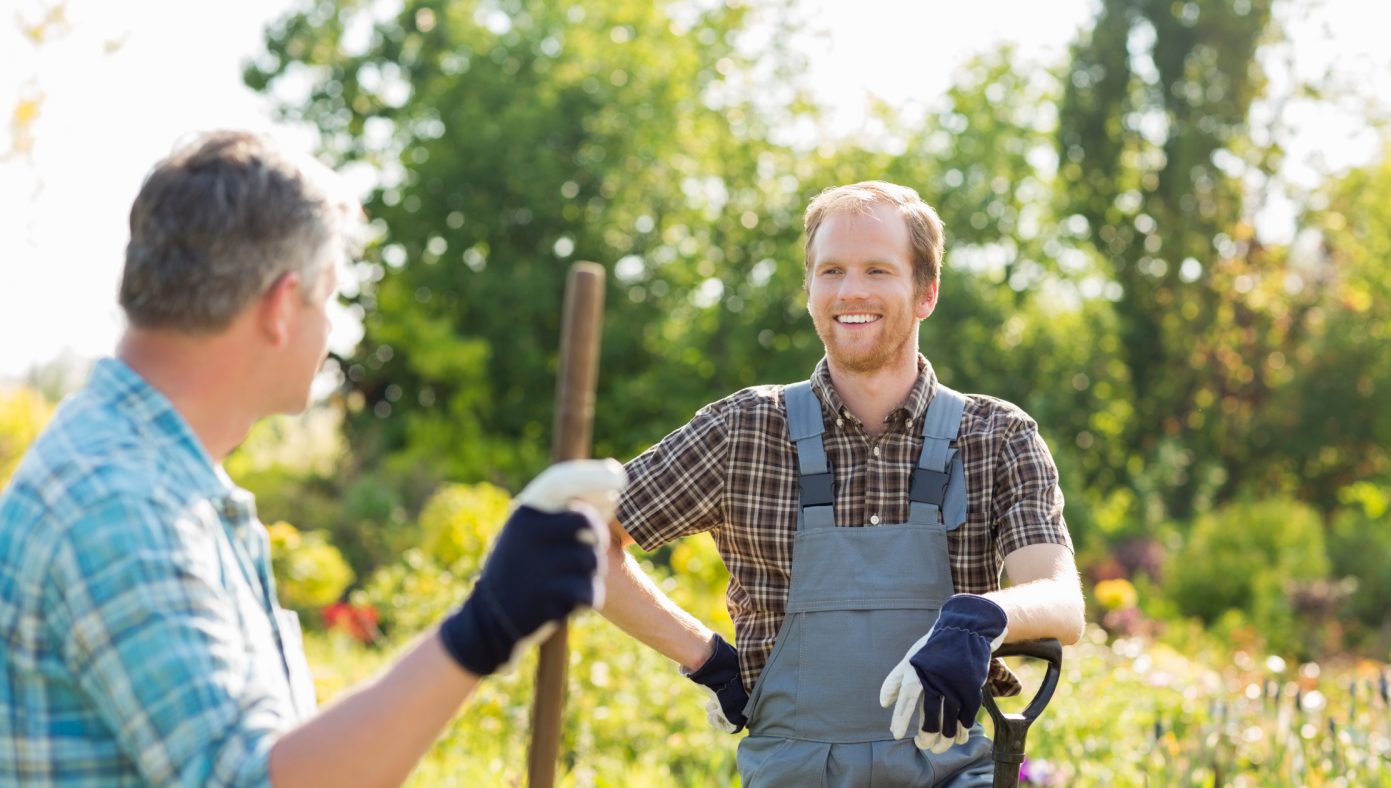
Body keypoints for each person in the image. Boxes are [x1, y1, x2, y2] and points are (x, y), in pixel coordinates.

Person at [0, 130, 626, 786]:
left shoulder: (156, 474)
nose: (331, 329)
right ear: (278, 307)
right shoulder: (120, 502)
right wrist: (485, 628)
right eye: (326, 298)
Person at [599, 181, 1085, 786]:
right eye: (831, 271)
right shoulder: (745, 431)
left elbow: (1061, 599)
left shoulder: (996, 437)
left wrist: (981, 618)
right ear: (810, 292)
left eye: (878, 270)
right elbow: (579, 539)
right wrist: (704, 655)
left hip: (952, 770)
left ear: (926, 292)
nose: (851, 291)